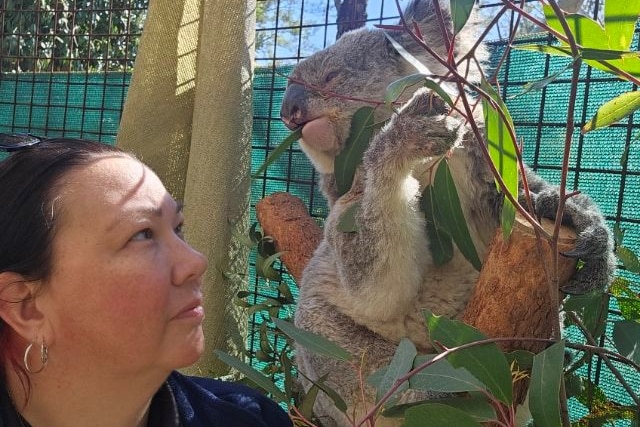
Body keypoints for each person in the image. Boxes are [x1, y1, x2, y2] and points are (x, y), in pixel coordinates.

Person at [0, 134, 293, 427]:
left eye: (177, 229)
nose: (196, 262)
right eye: (142, 235)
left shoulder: (252, 419)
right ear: (27, 306)